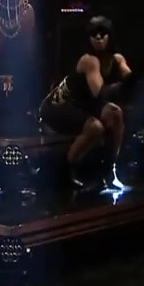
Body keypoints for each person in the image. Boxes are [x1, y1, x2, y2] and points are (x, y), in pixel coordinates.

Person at [39, 16, 133, 188]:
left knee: (115, 115)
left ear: (110, 35)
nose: (98, 38)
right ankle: (65, 172)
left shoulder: (117, 59)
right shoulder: (89, 61)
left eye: (102, 33)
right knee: (95, 127)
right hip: (59, 106)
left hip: (84, 103)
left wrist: (135, 80)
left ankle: (109, 169)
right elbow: (99, 92)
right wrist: (124, 87)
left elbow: (130, 78)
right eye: (93, 34)